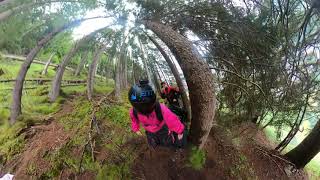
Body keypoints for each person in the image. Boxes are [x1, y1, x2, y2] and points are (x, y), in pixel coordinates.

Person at [128, 80, 187, 148]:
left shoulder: (160, 108)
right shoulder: (133, 112)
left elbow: (172, 119)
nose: (145, 110)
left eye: (147, 106)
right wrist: (136, 129)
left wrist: (180, 130)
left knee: (168, 145)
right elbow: (134, 120)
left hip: (162, 130)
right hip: (150, 133)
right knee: (156, 146)